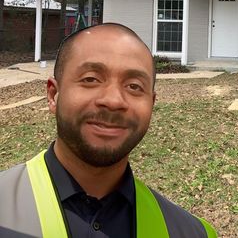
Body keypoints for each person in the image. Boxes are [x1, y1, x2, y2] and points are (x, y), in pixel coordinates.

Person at [0, 23, 216, 238]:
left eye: (134, 86)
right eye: (91, 79)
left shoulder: (190, 232)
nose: (113, 101)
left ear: (152, 103)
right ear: (53, 95)